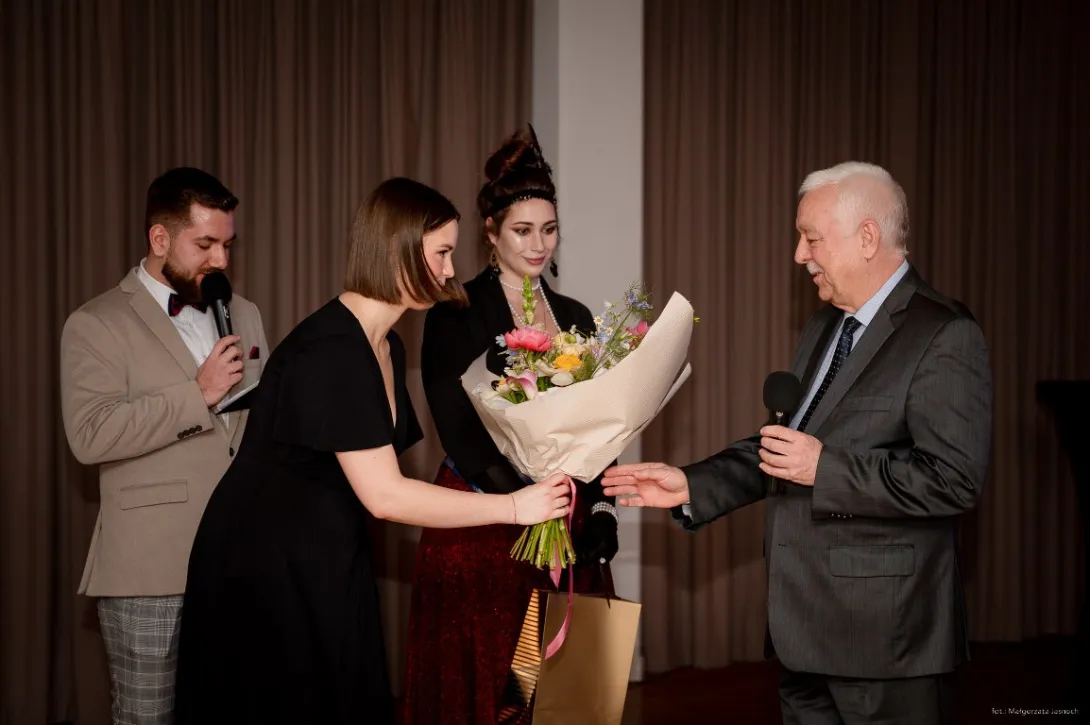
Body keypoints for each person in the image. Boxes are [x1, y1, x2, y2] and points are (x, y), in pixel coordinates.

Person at [603, 162, 993, 725]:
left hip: (884, 643)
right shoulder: (824, 326)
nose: (798, 255)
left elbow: (952, 481)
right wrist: (692, 483)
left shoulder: (944, 334)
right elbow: (786, 450)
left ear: (867, 237)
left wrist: (825, 468)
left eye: (811, 238)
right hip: (800, 631)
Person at [172, 177, 572, 725]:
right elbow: (385, 495)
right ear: (395, 250)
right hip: (264, 566)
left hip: (328, 550)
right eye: (441, 254)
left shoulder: (386, 344)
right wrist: (514, 506)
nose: (450, 272)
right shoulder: (333, 350)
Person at [401, 126, 620, 725]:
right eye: (523, 230)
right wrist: (523, 504)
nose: (538, 244)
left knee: (559, 692)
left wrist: (602, 509)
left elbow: (603, 425)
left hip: (565, 521)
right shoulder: (455, 313)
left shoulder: (575, 315)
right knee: (496, 686)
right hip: (483, 520)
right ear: (491, 232)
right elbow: (458, 427)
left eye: (549, 229)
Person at [59, 167, 269, 725]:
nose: (221, 259)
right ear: (159, 239)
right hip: (150, 571)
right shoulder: (96, 322)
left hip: (240, 562)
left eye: (227, 245)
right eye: (205, 244)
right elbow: (90, 434)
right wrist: (197, 395)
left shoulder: (246, 313)